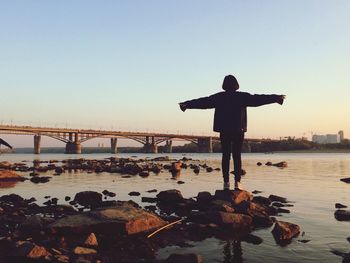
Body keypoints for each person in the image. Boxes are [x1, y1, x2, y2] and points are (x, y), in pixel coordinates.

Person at [179, 75, 285, 190]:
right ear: (236, 85)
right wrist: (276, 98)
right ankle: (237, 183)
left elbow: (203, 102)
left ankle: (226, 183)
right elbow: (258, 99)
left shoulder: (219, 97)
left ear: (224, 85)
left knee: (226, 156)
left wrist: (187, 104)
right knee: (237, 156)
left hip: (224, 130)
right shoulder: (242, 96)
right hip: (238, 130)